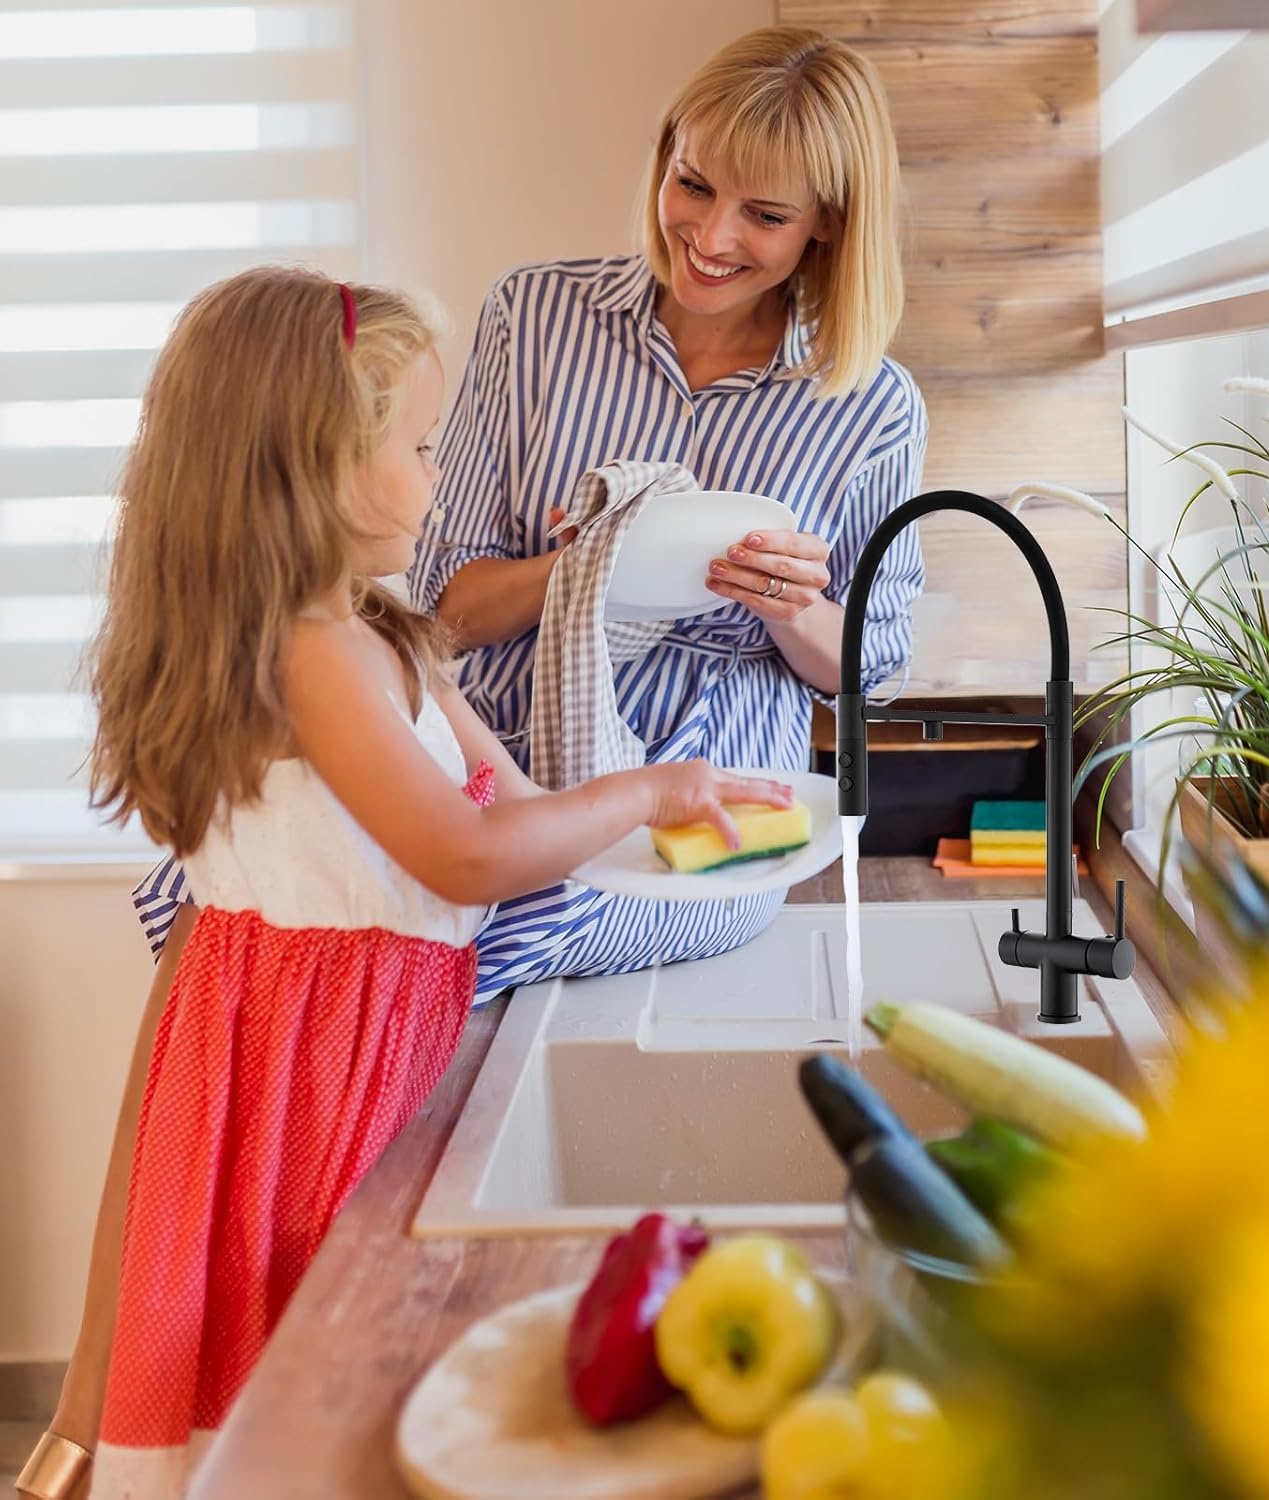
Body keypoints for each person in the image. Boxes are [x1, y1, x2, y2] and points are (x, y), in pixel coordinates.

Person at [16, 267, 787, 1500]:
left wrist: (702, 812)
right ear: (316, 466)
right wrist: (647, 797)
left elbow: (521, 813)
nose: (440, 474)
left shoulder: (379, 631)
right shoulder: (312, 658)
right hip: (309, 1065)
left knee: (337, 1365)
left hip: (379, 1041)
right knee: (310, 1374)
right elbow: (463, 855)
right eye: (420, 445)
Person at [402, 23, 929, 999]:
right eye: (693, 185)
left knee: (489, 908)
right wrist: (594, 565)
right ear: (666, 157)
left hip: (716, 793)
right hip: (502, 747)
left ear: (828, 223)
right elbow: (443, 612)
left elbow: (873, 667)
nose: (712, 236)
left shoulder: (872, 406)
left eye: (764, 214)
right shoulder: (535, 317)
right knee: (319, 874)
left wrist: (788, 606)